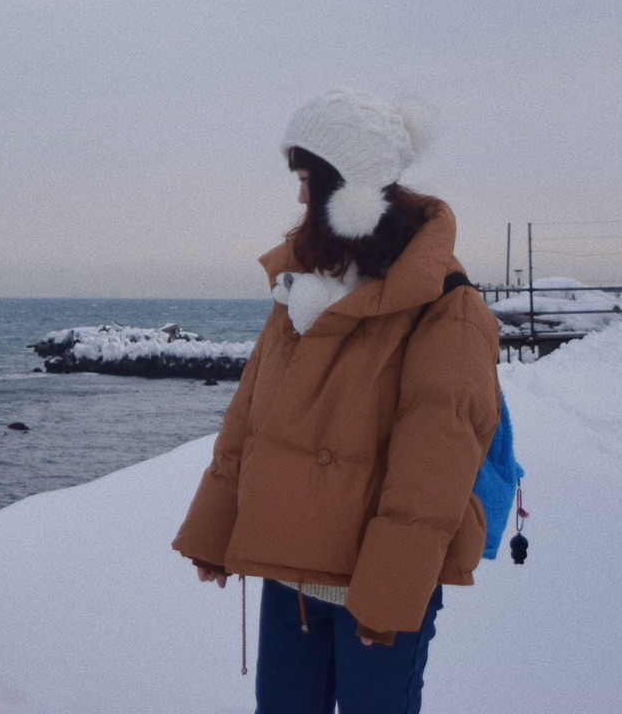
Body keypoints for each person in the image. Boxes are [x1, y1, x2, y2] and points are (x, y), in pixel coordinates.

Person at [173, 89, 502, 714]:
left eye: (306, 179)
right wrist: (215, 532)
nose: (298, 197)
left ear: (347, 187)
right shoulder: (302, 289)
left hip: (373, 585)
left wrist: (388, 595)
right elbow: (250, 418)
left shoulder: (446, 307)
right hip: (291, 571)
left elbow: (432, 471)